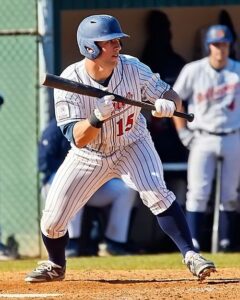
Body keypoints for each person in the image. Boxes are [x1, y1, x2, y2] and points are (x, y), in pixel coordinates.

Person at [25, 14, 216, 283]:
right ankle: (56, 265)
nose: (118, 46)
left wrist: (169, 103)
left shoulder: (133, 68)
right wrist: (95, 118)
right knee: (52, 221)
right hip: (89, 153)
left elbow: (170, 93)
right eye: (110, 41)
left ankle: (191, 255)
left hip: (132, 143)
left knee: (158, 193)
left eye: (117, 41)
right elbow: (77, 138)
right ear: (90, 48)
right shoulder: (70, 80)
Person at [173, 25, 240, 252]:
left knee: (230, 193)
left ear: (230, 45)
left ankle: (226, 241)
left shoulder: (237, 70)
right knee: (198, 192)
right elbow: (175, 100)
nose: (220, 49)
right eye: (216, 44)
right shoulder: (194, 70)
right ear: (208, 46)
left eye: (224, 44)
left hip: (233, 135)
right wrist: (183, 132)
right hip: (202, 136)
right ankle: (193, 243)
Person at [38, 118, 136, 257]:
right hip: (56, 187)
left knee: (126, 189)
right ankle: (70, 242)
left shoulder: (97, 125)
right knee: (71, 183)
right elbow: (43, 163)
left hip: (93, 185)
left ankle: (114, 242)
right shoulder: (54, 129)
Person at [141, 10, 188, 208]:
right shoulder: (143, 64)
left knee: (186, 182)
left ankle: (178, 232)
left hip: (177, 134)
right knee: (148, 184)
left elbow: (184, 100)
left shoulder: (177, 63)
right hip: (151, 135)